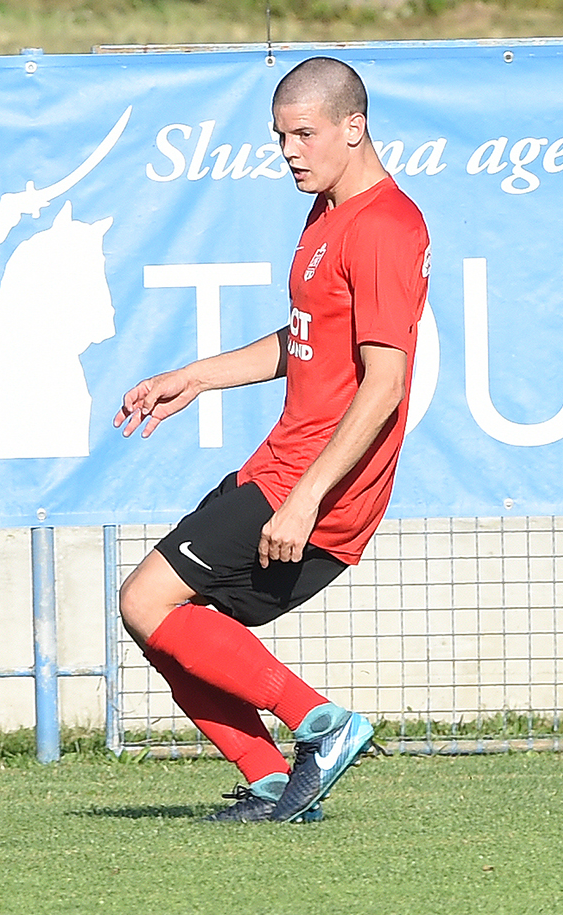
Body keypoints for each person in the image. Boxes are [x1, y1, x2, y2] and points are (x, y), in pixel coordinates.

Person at [115, 56, 430, 823]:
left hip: (311, 482)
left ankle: (323, 725)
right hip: (281, 464)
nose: (289, 151)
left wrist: (304, 500)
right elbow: (305, 341)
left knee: (145, 599)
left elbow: (385, 383)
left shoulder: (387, 224)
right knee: (163, 621)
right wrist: (197, 376)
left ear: (353, 127)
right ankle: (269, 780)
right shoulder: (327, 213)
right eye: (280, 136)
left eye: (304, 134)